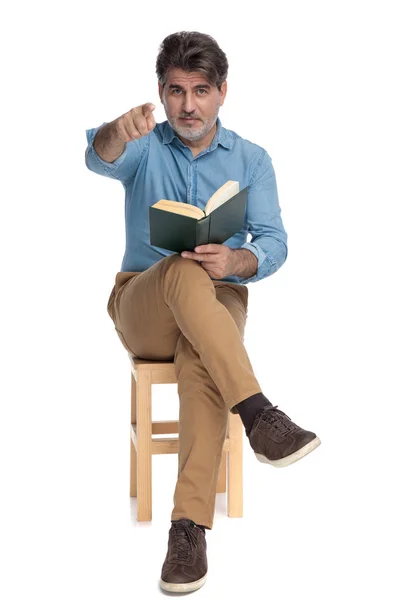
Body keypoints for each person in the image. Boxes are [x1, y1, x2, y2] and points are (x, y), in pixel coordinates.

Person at [84, 30, 321, 594]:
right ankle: (259, 413)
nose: (188, 105)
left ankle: (187, 529)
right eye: (175, 91)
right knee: (183, 271)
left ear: (222, 93)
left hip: (217, 301)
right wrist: (120, 129)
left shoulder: (252, 159)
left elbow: (275, 242)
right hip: (142, 302)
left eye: (201, 90)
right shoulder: (144, 143)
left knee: (203, 359)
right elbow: (99, 157)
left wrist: (239, 258)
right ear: (160, 94)